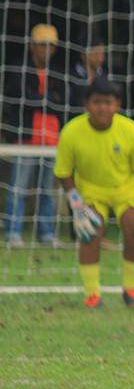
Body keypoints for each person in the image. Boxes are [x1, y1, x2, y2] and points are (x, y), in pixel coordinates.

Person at [54, 77, 134, 308]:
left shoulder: (129, 130)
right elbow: (63, 172)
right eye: (97, 102)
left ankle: (131, 291)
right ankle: (93, 295)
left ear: (118, 105)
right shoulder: (72, 132)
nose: (103, 107)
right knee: (90, 232)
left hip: (126, 187)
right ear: (87, 104)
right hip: (90, 188)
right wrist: (76, 204)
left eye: (108, 102)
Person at [3, 23, 70, 248]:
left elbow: (62, 102)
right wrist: (48, 99)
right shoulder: (19, 69)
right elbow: (24, 98)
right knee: (18, 188)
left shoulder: (58, 73)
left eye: (50, 46)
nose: (46, 50)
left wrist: (42, 99)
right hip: (26, 138)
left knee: (47, 190)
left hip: (52, 139)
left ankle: (46, 234)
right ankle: (13, 233)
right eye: (42, 45)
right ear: (32, 46)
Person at [70, 33, 108, 111]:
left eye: (102, 54)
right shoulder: (71, 77)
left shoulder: (106, 77)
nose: (101, 58)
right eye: (97, 54)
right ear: (83, 54)